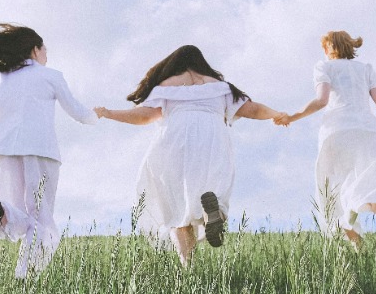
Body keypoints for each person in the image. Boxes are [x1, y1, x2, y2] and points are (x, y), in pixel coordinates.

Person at [94, 45, 284, 266]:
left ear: (173, 65)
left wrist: (109, 113)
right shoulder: (220, 88)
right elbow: (252, 109)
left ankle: (188, 266)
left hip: (174, 143)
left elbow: (143, 116)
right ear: (202, 64)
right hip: (212, 140)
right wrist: (276, 114)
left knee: (176, 210)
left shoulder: (166, 86)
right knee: (213, 186)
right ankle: (215, 213)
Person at [0, 24, 96, 278]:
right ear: (34, 50)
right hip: (40, 150)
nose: (47, 53)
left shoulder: (0, 75)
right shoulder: (52, 76)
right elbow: (79, 113)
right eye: (44, 48)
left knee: (18, 216)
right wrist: (96, 116)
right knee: (41, 220)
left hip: (2, 150)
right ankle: (25, 280)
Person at [275, 30, 376, 258]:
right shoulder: (366, 69)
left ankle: (358, 247)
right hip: (370, 132)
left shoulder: (324, 67)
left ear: (329, 48)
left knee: (334, 193)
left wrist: (291, 117)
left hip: (337, 133)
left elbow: (321, 100)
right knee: (375, 185)